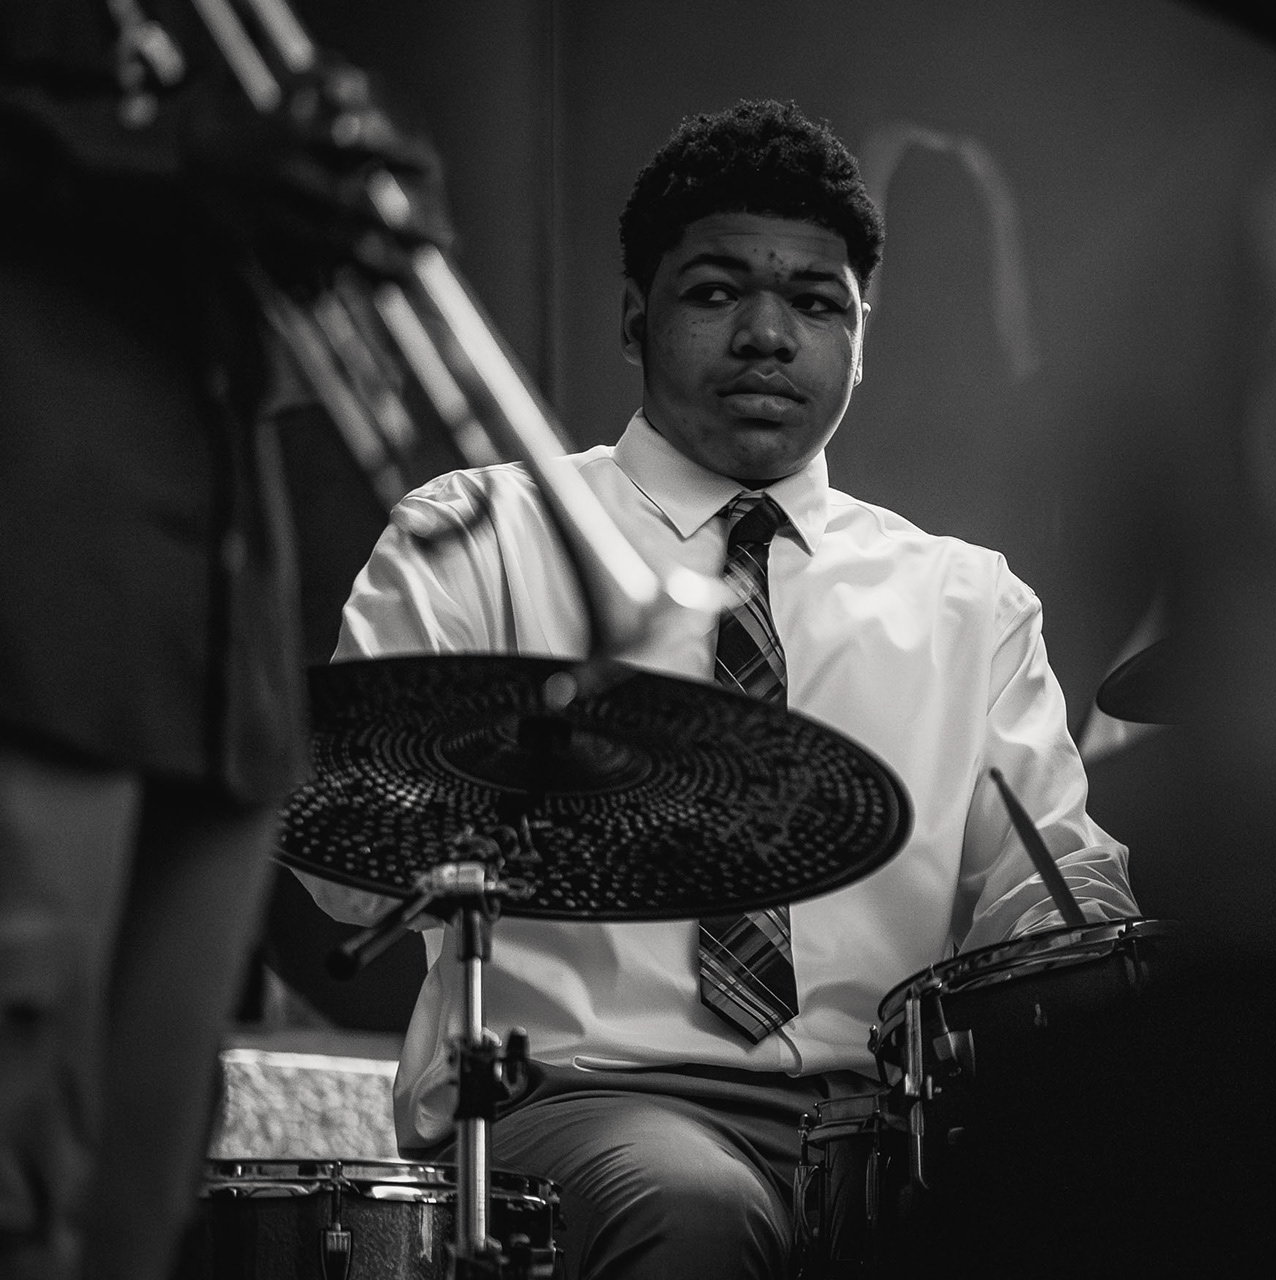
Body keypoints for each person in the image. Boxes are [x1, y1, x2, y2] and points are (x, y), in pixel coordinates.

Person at [308, 98, 1138, 1277]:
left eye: (816, 302)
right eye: (715, 292)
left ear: (862, 336)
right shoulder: (479, 534)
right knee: (694, 1207)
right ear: (634, 316)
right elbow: (341, 871)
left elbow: (1046, 901)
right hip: (577, 1099)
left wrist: (1098, 954)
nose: (767, 334)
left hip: (880, 1121)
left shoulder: (969, 599)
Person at [0, 3, 445, 1276]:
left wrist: (353, 202)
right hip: (35, 589)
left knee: (132, 1218)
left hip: (218, 636)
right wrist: (172, 158)